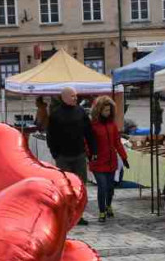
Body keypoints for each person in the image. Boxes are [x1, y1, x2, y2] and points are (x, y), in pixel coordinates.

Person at [47, 86, 97, 225]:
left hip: (79, 155)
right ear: (64, 97)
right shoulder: (55, 114)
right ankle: (67, 215)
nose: (76, 98)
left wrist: (93, 151)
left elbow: (89, 133)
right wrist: (55, 153)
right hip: (63, 156)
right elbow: (51, 136)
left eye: (76, 96)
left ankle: (79, 215)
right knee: (65, 187)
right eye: (73, 96)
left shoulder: (80, 112)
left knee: (80, 186)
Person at [89, 96, 129, 223]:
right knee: (102, 186)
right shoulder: (93, 126)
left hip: (111, 161)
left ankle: (108, 205)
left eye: (109, 110)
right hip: (98, 161)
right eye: (105, 110)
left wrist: (124, 157)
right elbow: (87, 142)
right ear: (99, 110)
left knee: (110, 187)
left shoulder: (112, 125)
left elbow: (117, 143)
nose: (108, 113)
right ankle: (101, 212)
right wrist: (90, 154)